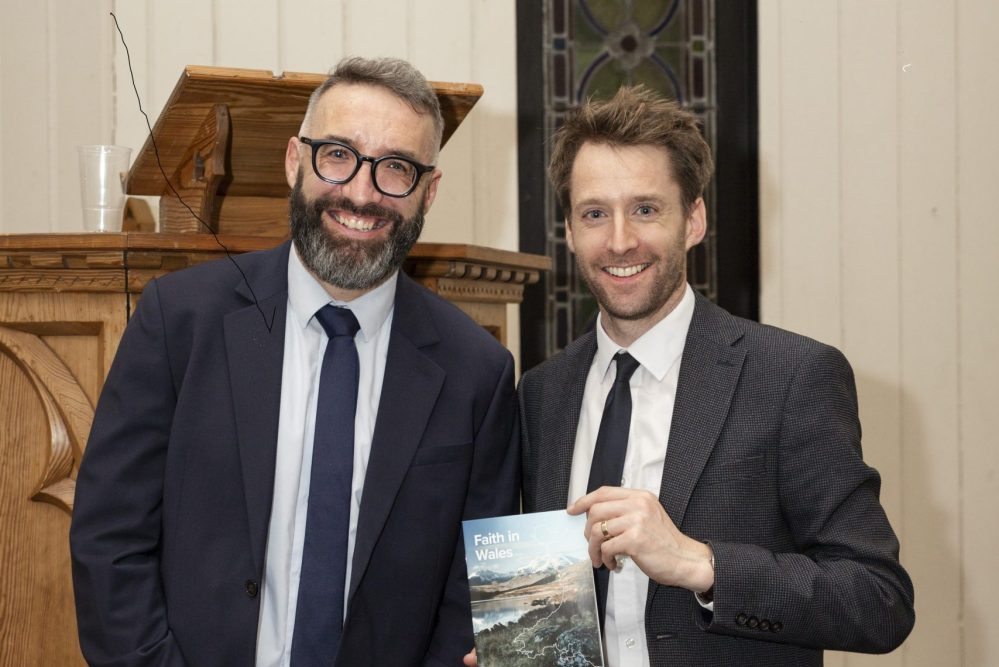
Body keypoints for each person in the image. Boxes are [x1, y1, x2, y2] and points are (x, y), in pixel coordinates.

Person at [70, 56, 520, 667]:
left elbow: (476, 593)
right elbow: (110, 540)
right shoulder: (179, 322)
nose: (361, 193)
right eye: (337, 155)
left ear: (429, 191)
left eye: (396, 167)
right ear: (294, 161)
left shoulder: (478, 373)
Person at [516, 86, 914, 666]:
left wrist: (700, 564)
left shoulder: (792, 376)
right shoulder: (541, 393)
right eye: (595, 214)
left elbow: (879, 601)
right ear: (570, 231)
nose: (620, 240)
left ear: (694, 220)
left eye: (646, 209)